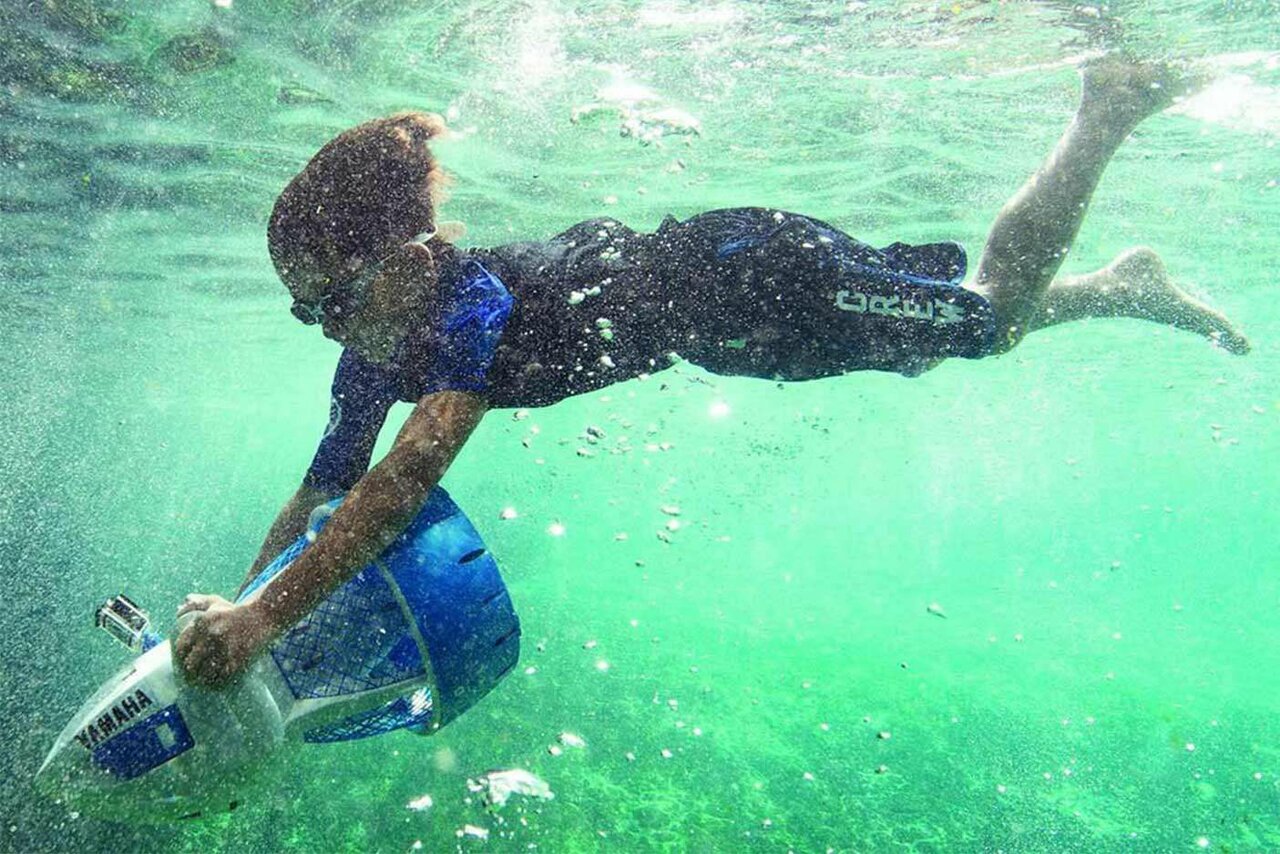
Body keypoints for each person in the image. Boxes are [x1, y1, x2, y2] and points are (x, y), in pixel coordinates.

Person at [173, 56, 1248, 687]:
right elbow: (322, 489)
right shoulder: (373, 348)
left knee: (983, 321)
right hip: (731, 338)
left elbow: (404, 478)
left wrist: (262, 624)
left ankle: (1104, 109)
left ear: (410, 265)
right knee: (939, 346)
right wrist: (244, 597)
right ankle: (1118, 285)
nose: (321, 329)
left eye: (330, 301)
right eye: (303, 310)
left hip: (757, 276)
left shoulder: (467, 305)